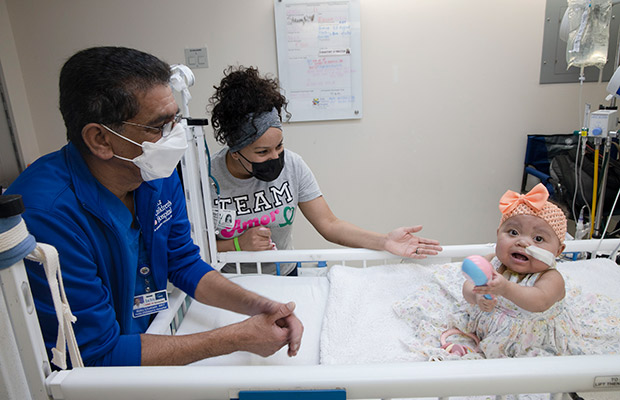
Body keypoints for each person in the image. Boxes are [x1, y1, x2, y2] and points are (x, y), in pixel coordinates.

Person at [5, 47, 302, 367]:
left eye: (175, 120)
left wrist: (260, 306)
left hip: (148, 336)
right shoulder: (46, 215)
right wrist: (236, 339)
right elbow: (95, 354)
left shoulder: (153, 174)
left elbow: (184, 264)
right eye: (159, 126)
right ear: (100, 140)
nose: (175, 136)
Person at [208, 66, 442, 275]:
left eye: (279, 146)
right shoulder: (207, 179)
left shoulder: (293, 165)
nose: (275, 157)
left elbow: (329, 224)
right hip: (231, 280)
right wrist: (237, 245)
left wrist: (384, 241)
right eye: (262, 152)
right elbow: (190, 248)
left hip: (284, 275)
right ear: (236, 150)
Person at [460, 183, 586, 357]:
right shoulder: (492, 262)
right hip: (491, 329)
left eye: (539, 238)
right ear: (498, 234)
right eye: (513, 232)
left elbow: (539, 302)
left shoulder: (550, 277)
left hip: (531, 340)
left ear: (558, 251)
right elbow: (467, 286)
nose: (523, 242)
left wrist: (506, 288)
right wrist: (477, 295)